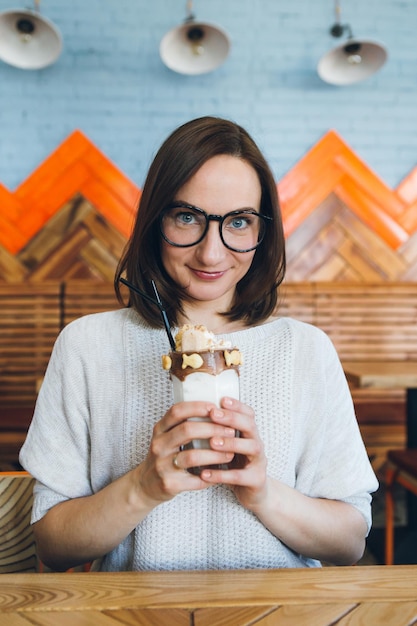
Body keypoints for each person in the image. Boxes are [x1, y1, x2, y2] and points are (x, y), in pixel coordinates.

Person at [19, 116, 378, 572]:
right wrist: (144, 486)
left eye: (239, 221)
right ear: (155, 220)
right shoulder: (87, 346)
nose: (211, 252)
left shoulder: (305, 350)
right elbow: (52, 544)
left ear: (262, 232)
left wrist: (263, 492)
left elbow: (349, 542)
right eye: (187, 217)